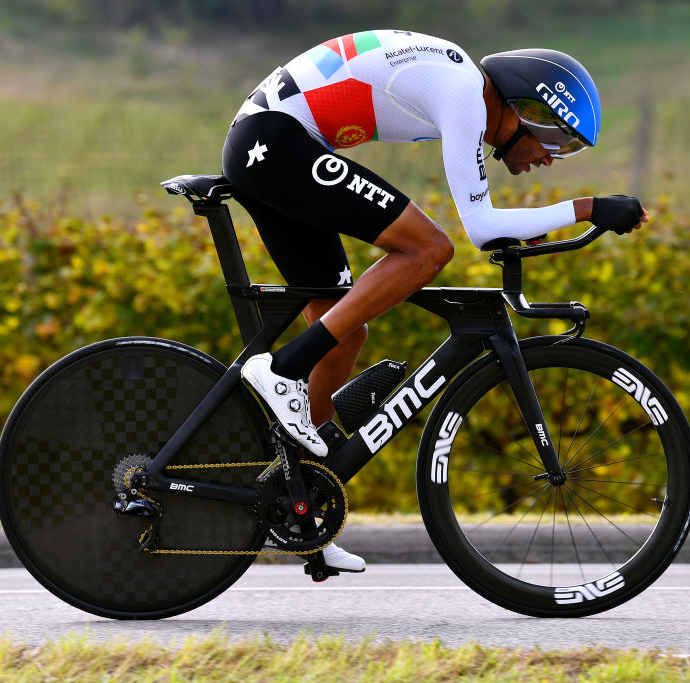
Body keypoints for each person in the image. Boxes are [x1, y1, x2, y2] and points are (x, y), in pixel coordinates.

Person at [223, 30, 649, 572]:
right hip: (276, 143)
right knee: (427, 249)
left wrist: (544, 223)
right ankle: (282, 369)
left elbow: (491, 225)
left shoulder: (459, 85)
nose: (551, 159)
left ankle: (302, 509)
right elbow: (480, 228)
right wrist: (588, 207)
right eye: (558, 142)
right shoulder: (465, 93)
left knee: (343, 333)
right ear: (527, 111)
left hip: (275, 144)